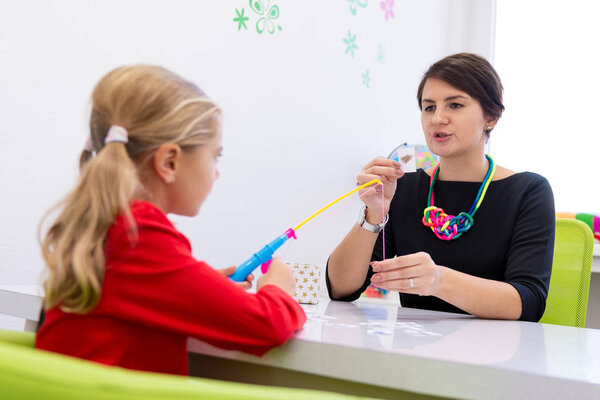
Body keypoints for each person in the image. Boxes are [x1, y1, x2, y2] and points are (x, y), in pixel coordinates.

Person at [36, 65, 306, 375]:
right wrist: (279, 289)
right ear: (169, 162)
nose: (216, 171)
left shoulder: (111, 226)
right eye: (214, 156)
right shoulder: (137, 235)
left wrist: (195, 286)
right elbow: (266, 325)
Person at [327, 53, 555, 322]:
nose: (437, 119)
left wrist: (438, 280)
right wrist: (374, 212)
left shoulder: (528, 191)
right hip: (416, 354)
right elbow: (341, 288)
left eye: (455, 105)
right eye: (429, 107)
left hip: (495, 355)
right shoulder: (406, 188)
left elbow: (528, 302)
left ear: (491, 116)